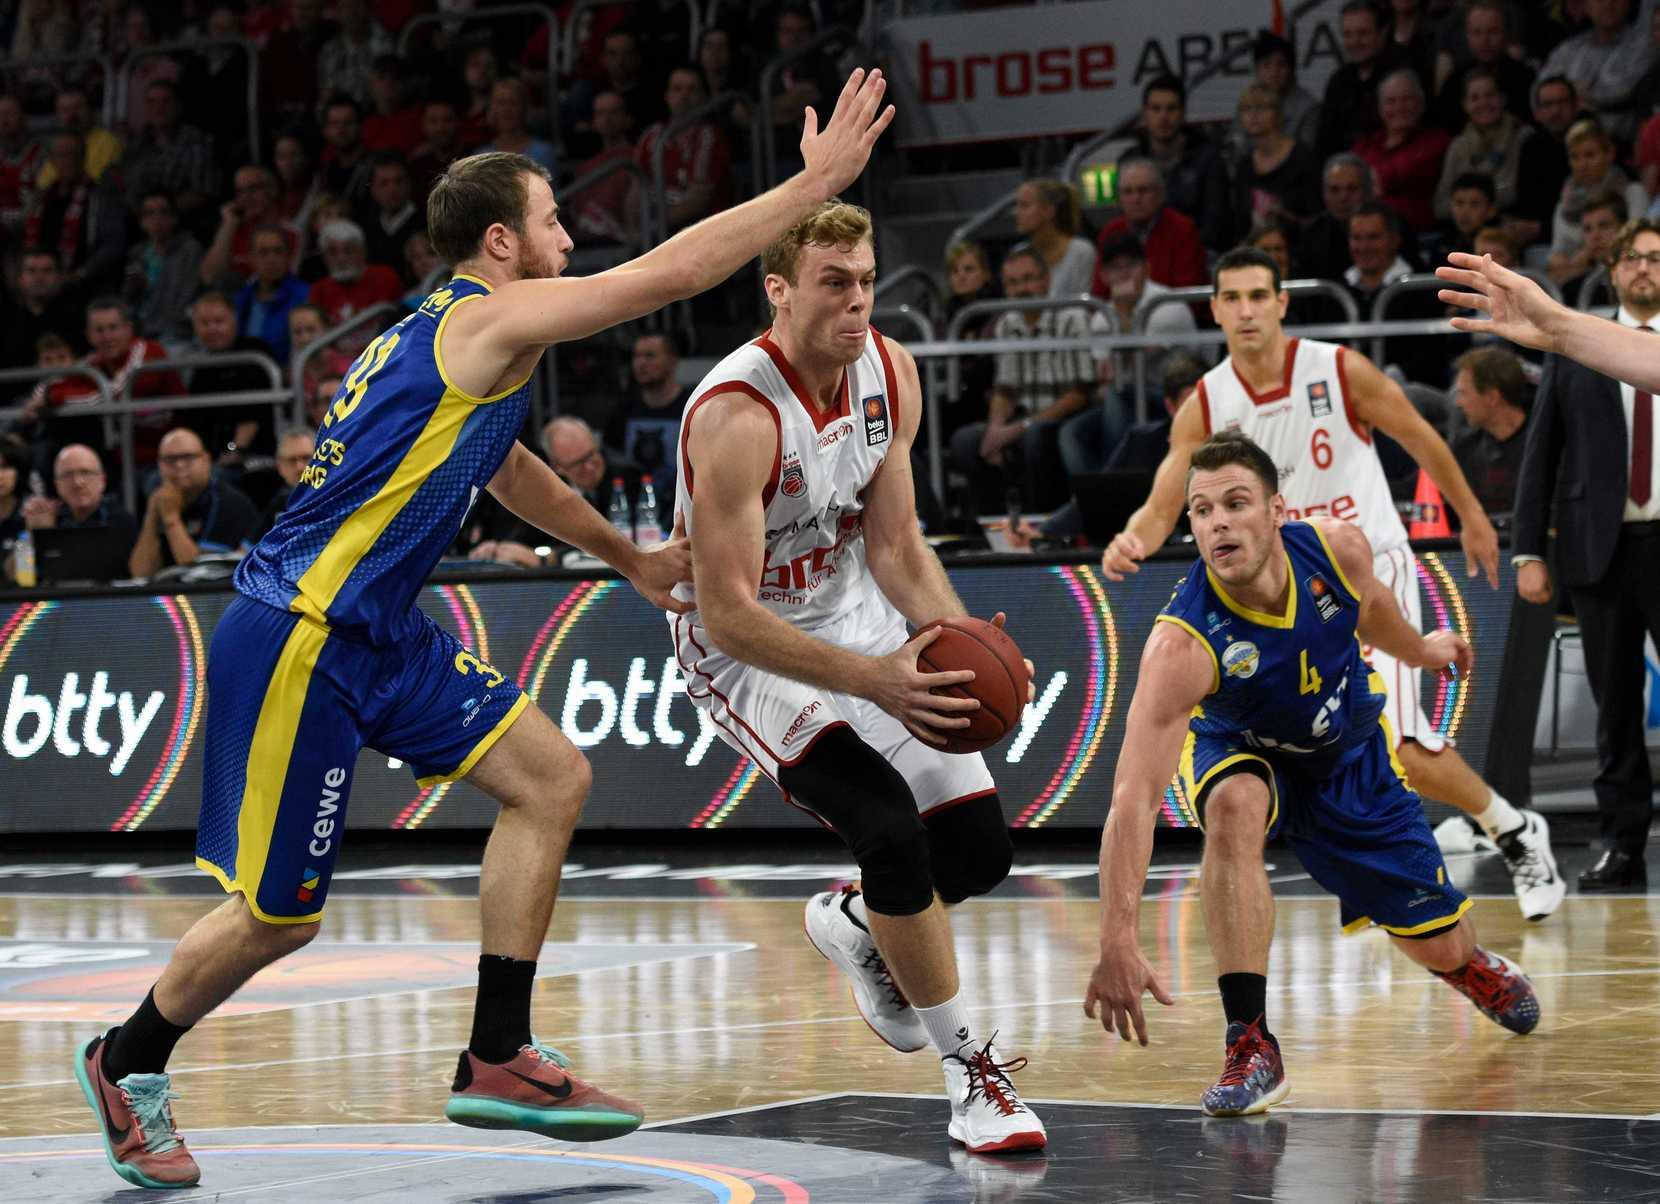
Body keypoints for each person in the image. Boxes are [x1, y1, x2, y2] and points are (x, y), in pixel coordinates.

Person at [73, 69, 895, 1190]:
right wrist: (810, 185)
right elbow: (669, 274)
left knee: (552, 775)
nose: (571, 232)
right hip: (300, 636)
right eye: (555, 218)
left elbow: (503, 466)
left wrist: (622, 552)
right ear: (504, 242)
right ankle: (128, 1061)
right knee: (277, 918)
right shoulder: (489, 314)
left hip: (377, 635)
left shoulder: (468, 347)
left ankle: (497, 1049)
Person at [669, 198, 1047, 1154]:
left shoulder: (891, 372)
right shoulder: (735, 416)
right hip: (748, 652)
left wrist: (960, 637)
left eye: (868, 281)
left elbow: (897, 545)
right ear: (780, 289)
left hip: (860, 621)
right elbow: (728, 612)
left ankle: (854, 924)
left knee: (977, 853)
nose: (858, 302)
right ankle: (974, 1082)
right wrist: (873, 680)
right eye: (835, 284)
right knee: (886, 827)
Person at [1083, 430, 1541, 1118]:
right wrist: (1116, 935)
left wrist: (1421, 652)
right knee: (1232, 806)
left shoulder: (1335, 549)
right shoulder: (1181, 645)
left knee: (1440, 943)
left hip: (1345, 754)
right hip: (1242, 742)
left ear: (1277, 511)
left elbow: (1375, 611)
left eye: (1236, 504)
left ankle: (1465, 965)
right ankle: (1251, 1041)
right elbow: (1133, 797)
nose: (1218, 523)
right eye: (1202, 512)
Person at [1102, 247, 1562, 920]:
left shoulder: (1337, 370)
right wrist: (1134, 537)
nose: (1246, 309)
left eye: (1259, 294)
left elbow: (1422, 437)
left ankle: (1511, 834)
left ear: (1282, 301)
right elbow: (1165, 498)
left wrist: (1471, 517)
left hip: (1365, 569)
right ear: (1216, 309)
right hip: (1281, 597)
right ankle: (1498, 827)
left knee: (1401, 742)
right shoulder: (1206, 403)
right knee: (1363, 745)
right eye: (1232, 297)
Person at [1442, 230, 1660, 890]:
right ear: (1613, 269)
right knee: (1613, 708)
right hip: (1604, 547)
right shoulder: (1586, 344)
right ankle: (1620, 845)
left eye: (1657, 257)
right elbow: (1542, 454)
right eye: (1634, 257)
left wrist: (1560, 327)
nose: (1645, 268)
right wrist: (1529, 549)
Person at [952, 248, 1097, 512]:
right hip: (1022, 418)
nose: (1022, 289)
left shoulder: (1073, 319)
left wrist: (1018, 429)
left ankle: (1042, 525)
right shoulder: (1007, 323)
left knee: (1035, 438)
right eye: (1014, 283)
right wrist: (995, 430)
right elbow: (1004, 388)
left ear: (1046, 280)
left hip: (1065, 417)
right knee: (966, 440)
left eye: (1029, 279)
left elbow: (1079, 395)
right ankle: (994, 528)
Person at [127, 427, 260, 577]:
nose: (179, 466)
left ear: (206, 460)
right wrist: (151, 518)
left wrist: (171, 519)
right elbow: (140, 573)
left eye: (188, 457)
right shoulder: (160, 499)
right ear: (159, 465)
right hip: (167, 594)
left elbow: (200, 574)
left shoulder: (230, 503)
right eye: (170, 460)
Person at [1547, 119, 1648, 283]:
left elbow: (1641, 244)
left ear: (1609, 154)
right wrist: (1583, 257)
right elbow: (1555, 261)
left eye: (1590, 155)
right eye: (1575, 157)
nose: (1583, 164)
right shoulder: (1564, 206)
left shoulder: (1633, 194)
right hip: (1579, 281)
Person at [1353, 69, 1449, 236]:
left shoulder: (1436, 141)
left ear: (1421, 103)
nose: (1399, 107)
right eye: (1391, 101)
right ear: (1380, 108)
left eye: (1407, 99)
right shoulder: (1365, 145)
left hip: (1418, 235)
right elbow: (1350, 184)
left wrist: (1373, 182)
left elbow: (1396, 175)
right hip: (1364, 235)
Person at [20, 443, 138, 579]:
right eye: (67, 475)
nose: (77, 482)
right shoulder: (48, 517)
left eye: (85, 472)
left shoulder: (122, 521)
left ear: (102, 480)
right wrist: (30, 535)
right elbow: (20, 576)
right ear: (57, 485)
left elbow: (138, 574)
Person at [1090, 158, 1206, 291]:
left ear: (1161, 194)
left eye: (1143, 190)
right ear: (1119, 198)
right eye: (1128, 192)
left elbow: (1188, 291)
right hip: (1121, 309)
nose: (1136, 199)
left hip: (1171, 308)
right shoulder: (1110, 232)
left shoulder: (1183, 229)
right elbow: (1100, 291)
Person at [1434, 69, 1534, 221]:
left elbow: (1520, 192)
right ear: (1465, 105)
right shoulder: (1458, 146)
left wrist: (1466, 203)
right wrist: (1474, 207)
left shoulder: (1524, 138)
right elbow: (1440, 205)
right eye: (1474, 98)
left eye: (1490, 95)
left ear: (1503, 99)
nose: (1483, 103)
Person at [605, 331, 689, 502]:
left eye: (650, 356)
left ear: (672, 361)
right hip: (634, 506)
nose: (641, 363)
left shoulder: (691, 406)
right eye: (636, 356)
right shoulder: (624, 409)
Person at [1449, 345, 1530, 516]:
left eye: (1464, 393)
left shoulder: (1545, 447)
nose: (1458, 403)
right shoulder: (1465, 447)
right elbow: (1420, 485)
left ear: (1492, 397)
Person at [123, 191, 204, 345]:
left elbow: (188, 297)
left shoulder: (189, 250)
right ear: (142, 221)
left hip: (175, 333)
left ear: (174, 219)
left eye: (163, 212)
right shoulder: (137, 253)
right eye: (149, 213)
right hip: (139, 332)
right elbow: (128, 299)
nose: (157, 219)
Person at [235, 226, 312, 365]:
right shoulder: (241, 299)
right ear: (251, 258)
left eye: (278, 251)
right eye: (263, 253)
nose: (272, 259)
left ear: (288, 256)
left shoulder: (305, 295)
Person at [1011, 178, 1096, 297]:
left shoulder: (1081, 252)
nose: (1015, 212)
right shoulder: (1019, 252)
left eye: (1024, 205)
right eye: (1016, 205)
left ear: (1049, 211)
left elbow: (1083, 306)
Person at [254, 426, 317, 538]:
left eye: (306, 458)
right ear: (280, 467)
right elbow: (248, 548)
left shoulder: (335, 496)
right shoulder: (278, 503)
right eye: (292, 460)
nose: (300, 467)